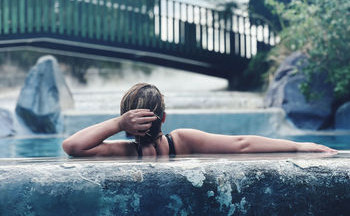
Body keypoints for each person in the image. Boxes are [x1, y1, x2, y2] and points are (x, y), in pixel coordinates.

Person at [62, 83, 337, 157]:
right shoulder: (182, 142)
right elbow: (243, 144)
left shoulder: (122, 152)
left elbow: (72, 146)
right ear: (164, 117)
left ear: (128, 120)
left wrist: (118, 124)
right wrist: (300, 146)